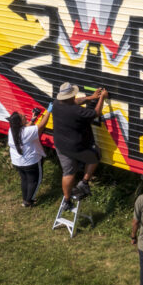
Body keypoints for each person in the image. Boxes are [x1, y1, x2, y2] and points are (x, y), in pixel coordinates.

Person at [52, 82, 107, 210]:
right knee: (96, 154)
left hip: (61, 145)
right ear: (71, 96)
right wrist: (102, 97)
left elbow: (75, 101)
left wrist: (90, 98)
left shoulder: (56, 104)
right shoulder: (77, 111)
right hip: (76, 147)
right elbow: (96, 112)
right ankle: (84, 182)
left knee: (68, 172)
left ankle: (66, 200)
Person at [7, 109, 48, 208]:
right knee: (35, 181)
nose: (25, 115)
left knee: (25, 180)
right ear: (20, 122)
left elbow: (25, 129)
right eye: (23, 116)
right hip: (31, 161)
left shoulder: (12, 129)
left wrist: (33, 119)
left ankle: (25, 198)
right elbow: (42, 125)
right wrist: (49, 111)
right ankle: (28, 201)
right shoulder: (26, 131)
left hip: (18, 161)